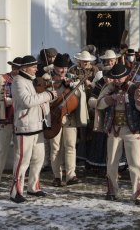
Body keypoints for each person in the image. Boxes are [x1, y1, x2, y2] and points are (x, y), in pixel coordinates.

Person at [97, 63, 140, 205]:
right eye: (115, 78)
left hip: (132, 129)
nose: (118, 81)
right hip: (114, 129)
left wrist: (139, 99)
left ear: (126, 76)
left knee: (135, 163)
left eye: (120, 78)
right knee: (111, 162)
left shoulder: (135, 88)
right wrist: (111, 99)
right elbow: (99, 104)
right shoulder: (109, 88)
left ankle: (138, 194)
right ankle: (112, 190)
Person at [10, 55, 57, 203]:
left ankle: (33, 187)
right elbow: (27, 101)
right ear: (25, 68)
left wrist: (48, 93)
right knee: (22, 161)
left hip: (38, 125)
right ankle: (15, 192)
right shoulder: (18, 81)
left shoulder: (32, 80)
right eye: (34, 66)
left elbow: (41, 102)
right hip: (25, 126)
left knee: (39, 159)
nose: (37, 68)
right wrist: (47, 94)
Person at [48, 53, 84, 187]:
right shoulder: (49, 79)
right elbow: (45, 96)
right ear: (54, 67)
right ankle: (57, 176)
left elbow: (80, 95)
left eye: (65, 68)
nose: (63, 71)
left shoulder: (72, 78)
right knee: (55, 147)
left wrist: (74, 87)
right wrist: (55, 86)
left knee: (70, 146)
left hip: (70, 117)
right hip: (54, 117)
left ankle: (71, 175)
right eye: (60, 68)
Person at [0, 57, 22, 187]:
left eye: (18, 67)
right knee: (2, 149)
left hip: (20, 121)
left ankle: (17, 177)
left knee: (19, 151)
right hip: (6, 119)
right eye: (14, 67)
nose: (15, 69)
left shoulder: (25, 81)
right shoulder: (1, 79)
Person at [70, 51, 98, 166]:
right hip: (78, 100)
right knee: (79, 128)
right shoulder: (73, 70)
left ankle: (89, 156)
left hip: (90, 100)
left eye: (87, 61)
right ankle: (79, 155)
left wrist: (90, 83)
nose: (86, 63)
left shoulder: (95, 70)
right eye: (84, 61)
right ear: (79, 61)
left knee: (91, 127)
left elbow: (98, 84)